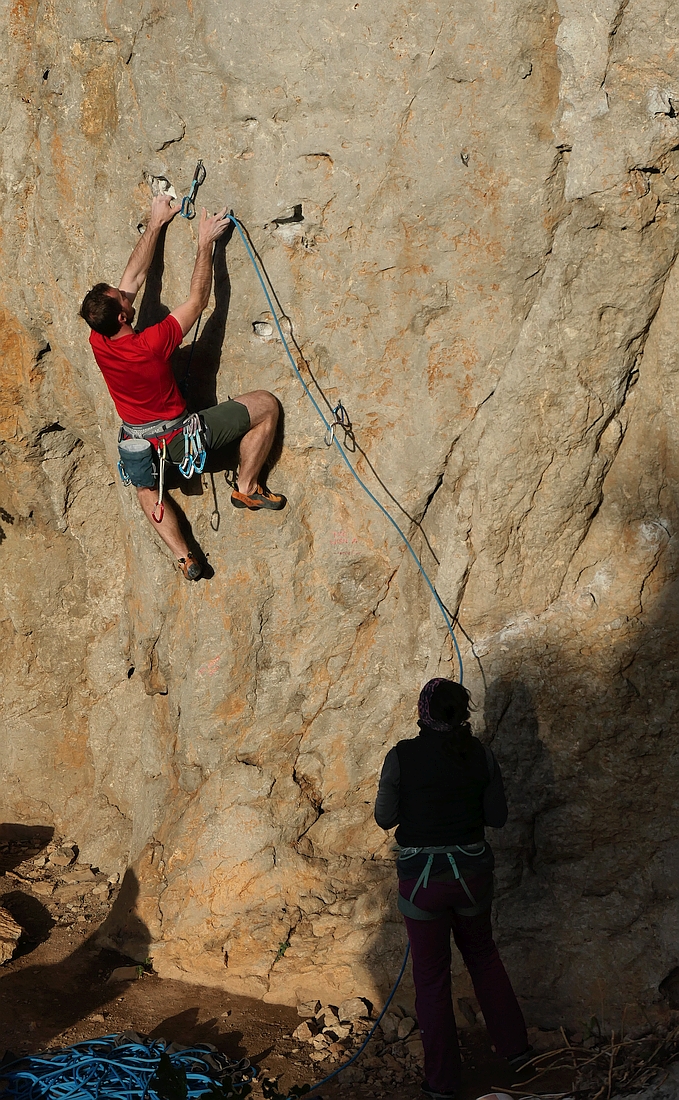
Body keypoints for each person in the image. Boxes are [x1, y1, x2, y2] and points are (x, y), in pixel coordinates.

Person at [80, 194, 285, 582]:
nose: (126, 291)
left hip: (139, 444)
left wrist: (157, 222)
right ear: (124, 315)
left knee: (144, 489)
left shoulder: (99, 338)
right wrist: (205, 243)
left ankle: (184, 556)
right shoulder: (151, 344)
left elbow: (134, 278)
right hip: (181, 441)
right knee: (266, 405)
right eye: (122, 298)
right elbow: (199, 300)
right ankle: (247, 486)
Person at [374, 677, 531, 1100]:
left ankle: (443, 1082)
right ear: (463, 714)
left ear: (422, 713)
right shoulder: (480, 755)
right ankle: (517, 1052)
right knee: (483, 956)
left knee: (430, 977)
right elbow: (496, 818)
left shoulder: (400, 757)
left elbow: (385, 819)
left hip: (422, 883)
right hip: (472, 878)